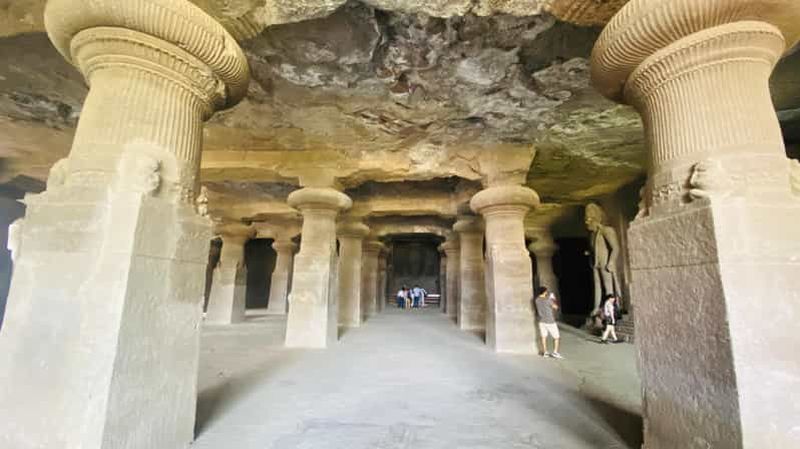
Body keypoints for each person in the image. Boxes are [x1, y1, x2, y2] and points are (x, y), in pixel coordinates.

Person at [534, 286, 563, 359]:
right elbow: (555, 307)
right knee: (556, 337)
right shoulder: (548, 300)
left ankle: (545, 352)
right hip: (550, 321)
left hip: (542, 321)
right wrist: (553, 299)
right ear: (544, 292)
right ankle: (555, 352)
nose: (547, 292)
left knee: (544, 337)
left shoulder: (537, 300)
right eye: (546, 291)